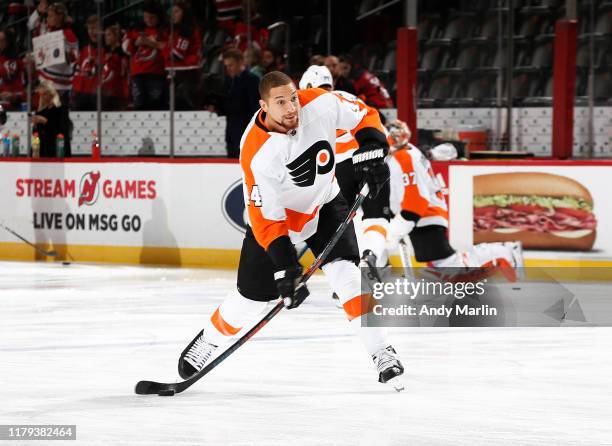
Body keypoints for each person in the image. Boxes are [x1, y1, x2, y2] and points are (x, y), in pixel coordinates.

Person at [177, 71, 404, 389]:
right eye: (280, 102)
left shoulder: (320, 104)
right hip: (280, 221)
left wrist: (372, 148)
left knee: (348, 277)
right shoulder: (257, 151)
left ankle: (381, 351)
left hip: (325, 203)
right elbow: (267, 220)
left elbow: (364, 114)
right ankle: (210, 340)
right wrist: (286, 266)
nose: (290, 108)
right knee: (251, 300)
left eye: (293, 98)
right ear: (263, 106)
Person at [385, 119, 523, 280]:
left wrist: (399, 222)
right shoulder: (406, 152)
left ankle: (503, 251)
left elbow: (414, 194)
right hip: (423, 212)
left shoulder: (405, 156)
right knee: (438, 261)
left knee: (448, 263)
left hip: (426, 213)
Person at [299, 65, 391, 280]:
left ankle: (350, 276)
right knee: (376, 216)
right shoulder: (346, 97)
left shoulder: (304, 107)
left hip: (338, 171)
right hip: (369, 161)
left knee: (343, 223)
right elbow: (376, 125)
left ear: (308, 86)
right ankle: (371, 256)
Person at [212, 48, 260, 158]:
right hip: (231, 128)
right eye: (226, 66)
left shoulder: (252, 80)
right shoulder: (228, 81)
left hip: (245, 128)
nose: (228, 69)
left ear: (240, 62)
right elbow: (228, 104)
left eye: (231, 65)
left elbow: (253, 107)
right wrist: (217, 108)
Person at [122, 1, 168, 110]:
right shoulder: (136, 29)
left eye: (152, 17)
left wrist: (149, 43)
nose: (148, 20)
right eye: (146, 17)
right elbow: (126, 48)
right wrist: (135, 42)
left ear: (159, 17)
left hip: (157, 73)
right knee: (139, 105)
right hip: (138, 73)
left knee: (156, 105)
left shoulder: (165, 30)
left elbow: (168, 48)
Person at [37, 2, 78, 106]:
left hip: (60, 85)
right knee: (45, 117)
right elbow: (30, 25)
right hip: (46, 81)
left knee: (55, 117)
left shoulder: (68, 34)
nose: (47, 19)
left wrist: (65, 54)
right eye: (47, 16)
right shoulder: (48, 31)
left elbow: (74, 58)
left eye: (51, 16)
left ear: (59, 17)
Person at [164, 1, 202, 110]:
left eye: (176, 11)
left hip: (187, 72)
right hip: (175, 71)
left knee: (187, 106)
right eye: (171, 12)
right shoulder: (173, 30)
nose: (173, 14)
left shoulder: (187, 30)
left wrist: (158, 46)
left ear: (184, 13)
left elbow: (177, 55)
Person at [31, 81, 71, 158]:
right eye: (41, 95)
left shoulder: (61, 109)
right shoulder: (40, 110)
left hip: (58, 150)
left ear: (51, 94)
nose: (42, 97)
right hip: (42, 150)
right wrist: (35, 125)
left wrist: (45, 121)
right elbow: (36, 134)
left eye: (45, 94)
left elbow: (62, 130)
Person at [72, 15, 102, 111]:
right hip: (81, 92)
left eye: (94, 28)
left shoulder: (107, 47)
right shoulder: (84, 47)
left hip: (99, 93)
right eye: (89, 28)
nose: (91, 31)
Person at [102, 25, 129, 110]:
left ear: (116, 36)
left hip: (119, 90)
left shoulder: (122, 52)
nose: (106, 38)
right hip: (106, 90)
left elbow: (123, 70)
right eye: (105, 35)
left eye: (109, 35)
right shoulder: (106, 52)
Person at [0, 29, 25, 110]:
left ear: (8, 42)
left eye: (1, 40)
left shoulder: (15, 61)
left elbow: (6, 74)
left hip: (13, 102)